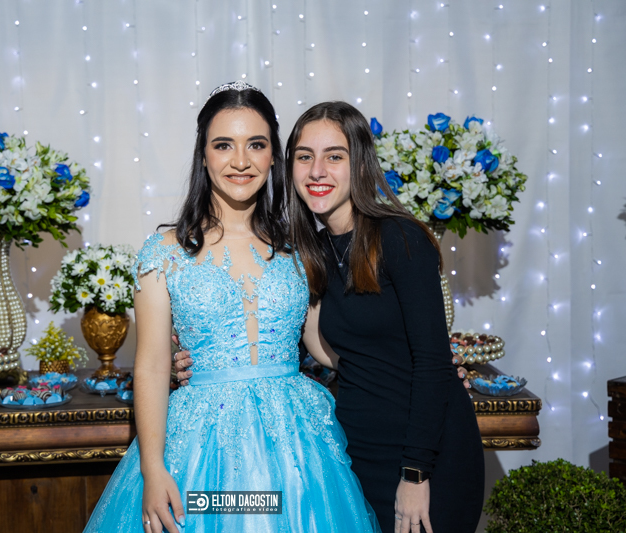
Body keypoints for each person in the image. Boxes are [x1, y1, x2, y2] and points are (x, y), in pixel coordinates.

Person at [176, 101, 484, 533]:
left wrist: (415, 474)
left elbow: (432, 363)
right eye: (305, 157)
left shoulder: (400, 238)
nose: (317, 171)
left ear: (360, 163)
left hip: (424, 456)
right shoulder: (312, 253)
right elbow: (312, 345)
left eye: (334, 156)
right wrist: (197, 357)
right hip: (357, 450)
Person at [84, 84, 380, 532]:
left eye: (255, 145)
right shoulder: (164, 253)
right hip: (198, 452)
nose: (240, 161)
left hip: (297, 449)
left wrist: (407, 362)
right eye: (224, 145)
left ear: (274, 157)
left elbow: (326, 346)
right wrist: (153, 468)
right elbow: (151, 366)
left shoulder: (300, 248)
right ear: (203, 156)